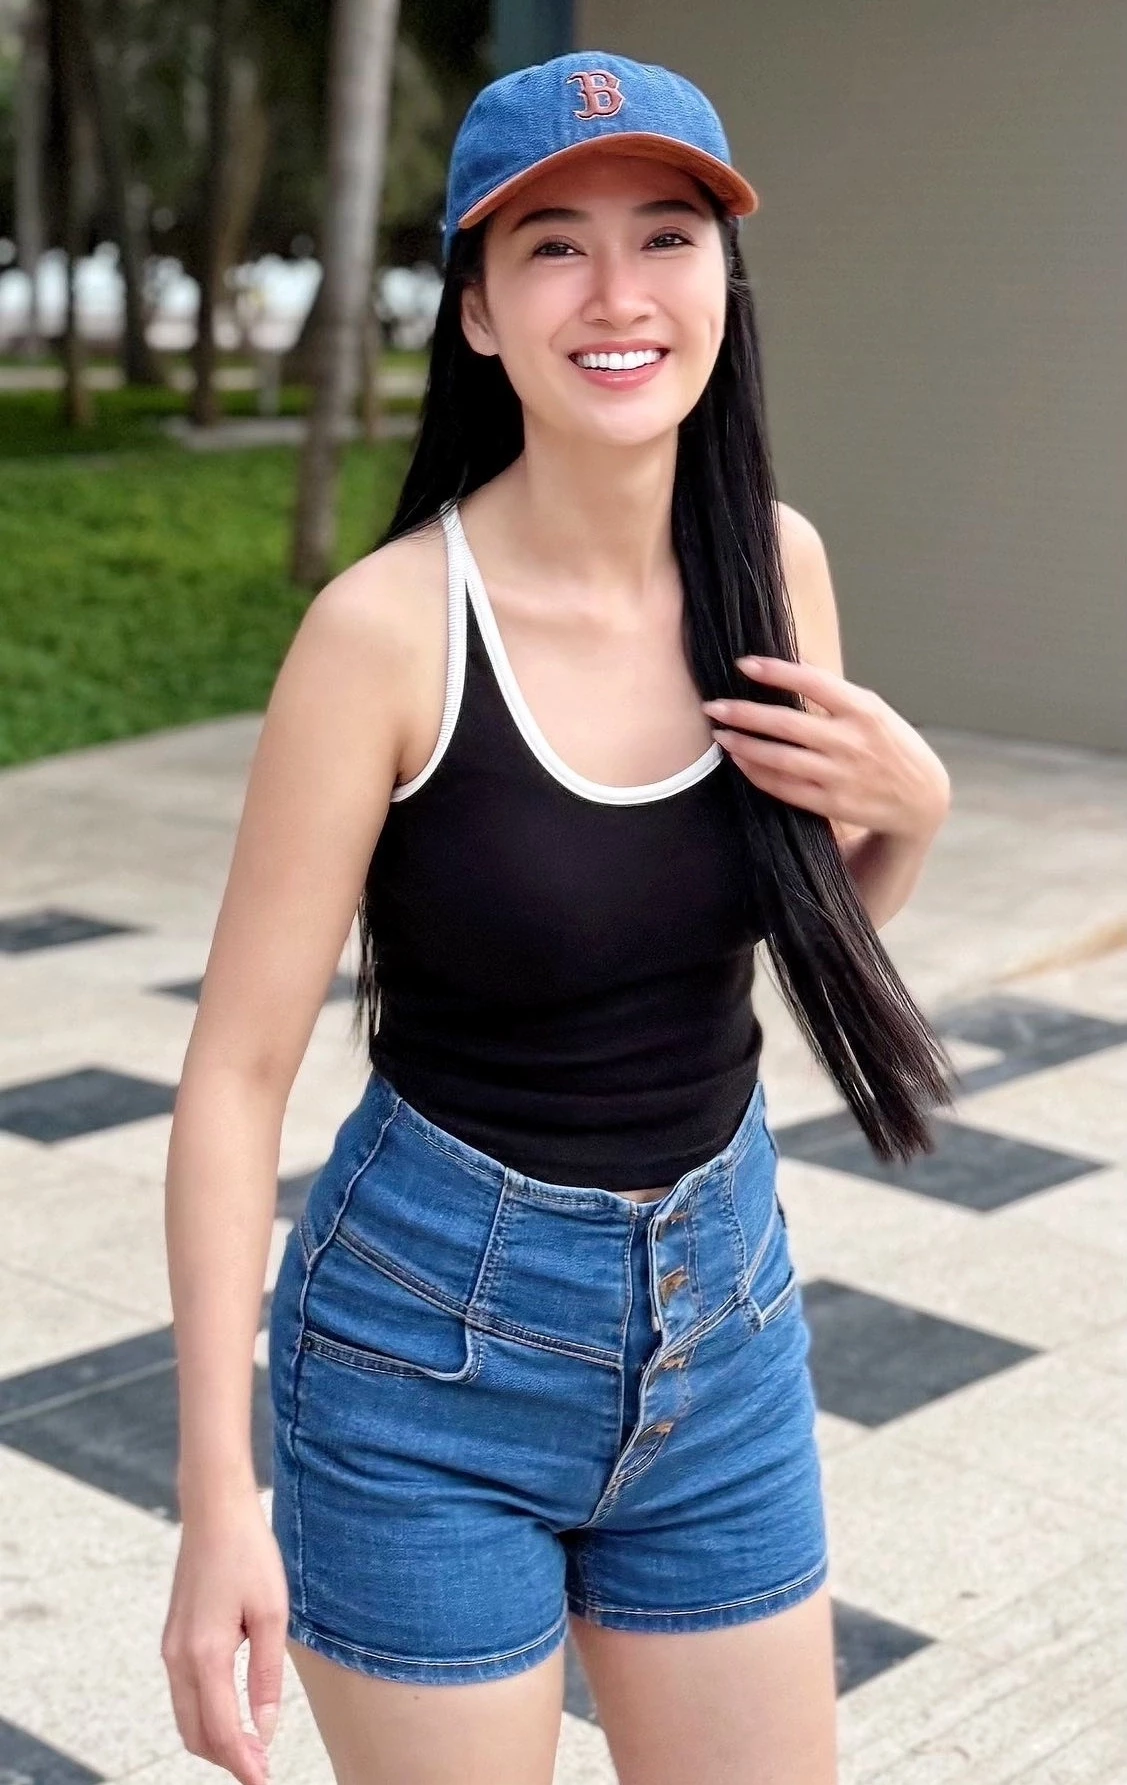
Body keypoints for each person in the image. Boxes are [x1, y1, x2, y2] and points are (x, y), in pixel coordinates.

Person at [160, 49, 955, 1785]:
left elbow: (799, 934)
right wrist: (219, 1504)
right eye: (551, 249)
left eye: (665, 236)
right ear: (474, 313)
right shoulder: (385, 633)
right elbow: (233, 1078)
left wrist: (906, 818)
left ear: (721, 282)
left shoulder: (776, 568)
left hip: (722, 1327)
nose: (617, 295)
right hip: (418, 1356)